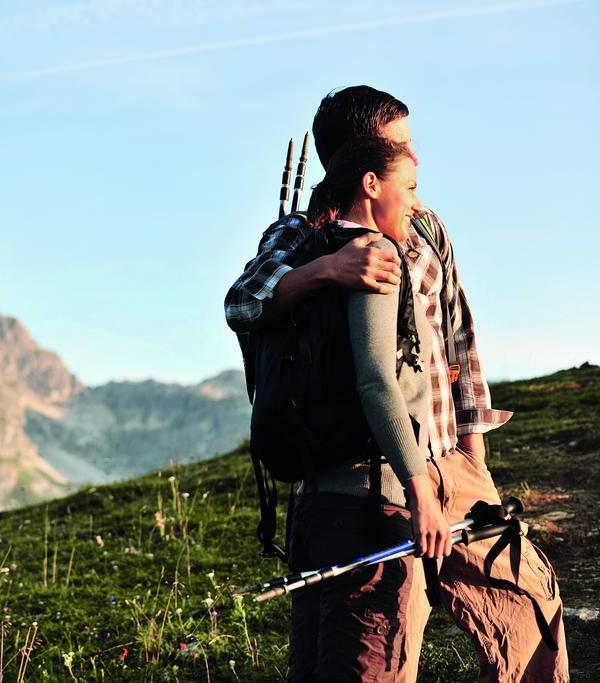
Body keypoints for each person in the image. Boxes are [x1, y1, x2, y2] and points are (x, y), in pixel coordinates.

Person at [225, 86, 567, 681]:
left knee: (530, 614)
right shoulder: (300, 236)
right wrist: (327, 269)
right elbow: (241, 304)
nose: (418, 160)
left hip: (451, 468)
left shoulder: (428, 227)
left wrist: (473, 462)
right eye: (403, 147)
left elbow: (461, 338)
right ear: (365, 170)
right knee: (373, 653)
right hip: (366, 480)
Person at [283, 135, 451, 681]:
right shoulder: (376, 256)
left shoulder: (312, 255)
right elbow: (377, 382)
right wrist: (422, 489)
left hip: (315, 505)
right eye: (410, 188)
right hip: (370, 511)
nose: (418, 204)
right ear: (370, 185)